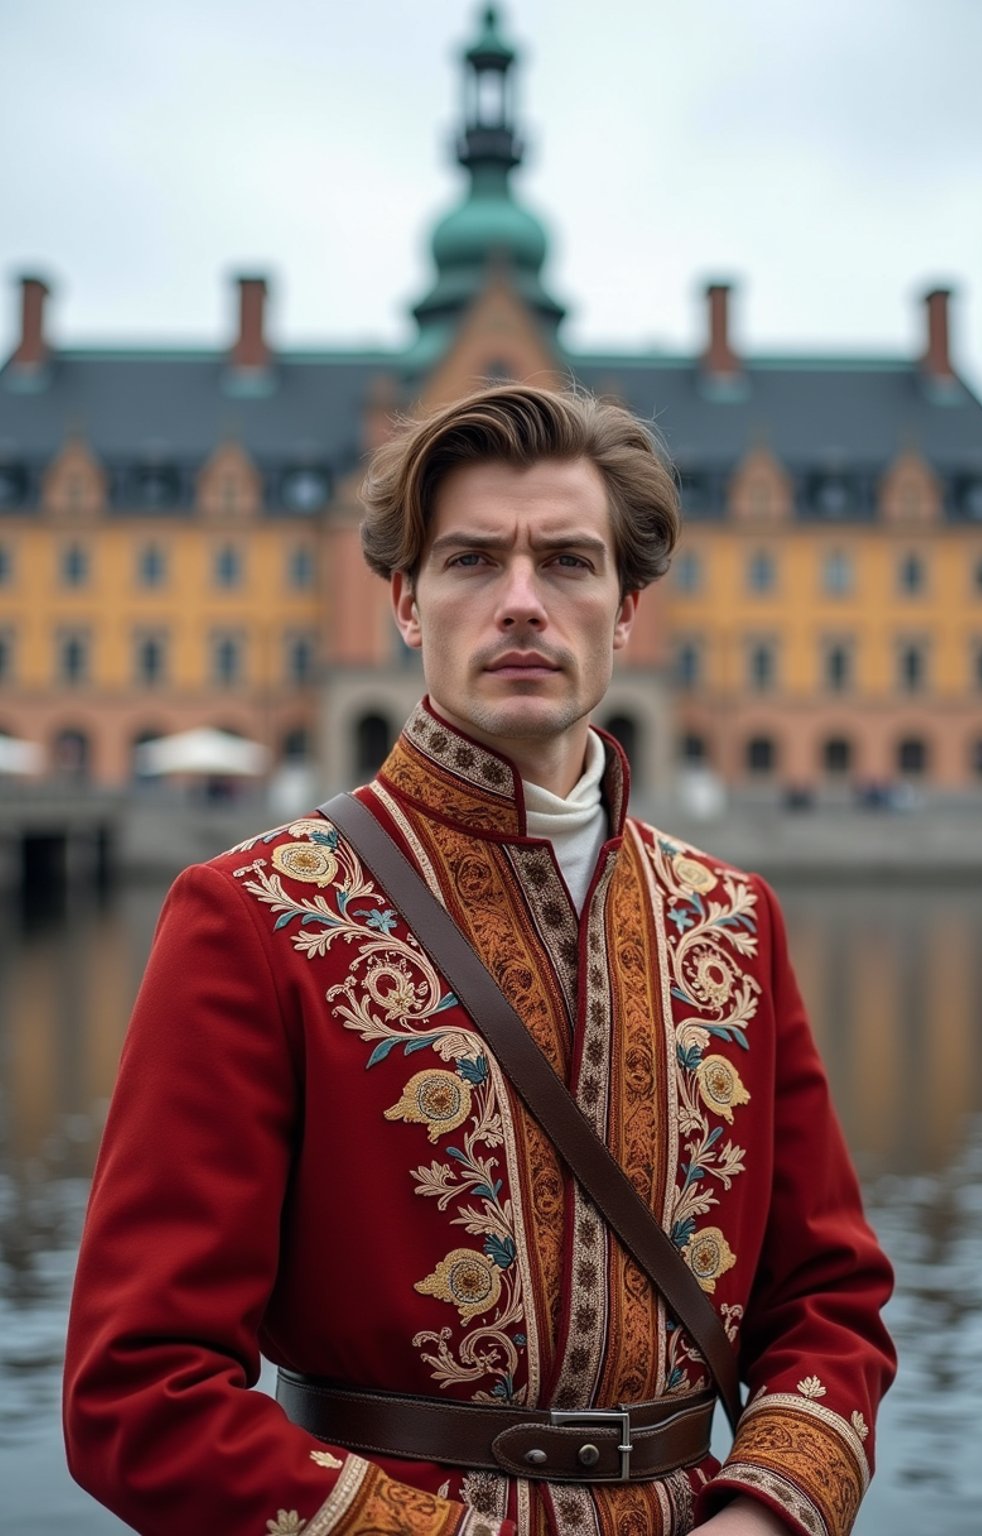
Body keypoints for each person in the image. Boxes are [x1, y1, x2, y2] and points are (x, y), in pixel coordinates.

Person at [64, 384, 895, 1536]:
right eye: (468, 563)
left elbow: (828, 1304)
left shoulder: (733, 920)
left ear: (627, 608)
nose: (519, 603)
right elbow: (137, 1393)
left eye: (565, 561)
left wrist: (764, 1512)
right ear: (405, 603)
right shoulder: (252, 915)